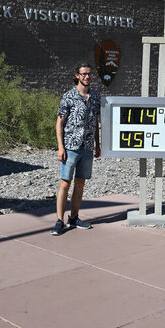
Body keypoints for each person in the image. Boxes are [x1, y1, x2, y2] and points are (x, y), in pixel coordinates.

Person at [52, 63, 101, 236]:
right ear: (77, 75)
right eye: (84, 74)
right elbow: (59, 122)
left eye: (89, 74)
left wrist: (97, 144)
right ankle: (59, 220)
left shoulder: (95, 97)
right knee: (65, 183)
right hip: (71, 147)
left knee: (80, 183)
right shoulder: (68, 97)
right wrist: (61, 147)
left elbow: (95, 121)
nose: (87, 77)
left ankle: (74, 217)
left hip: (87, 147)